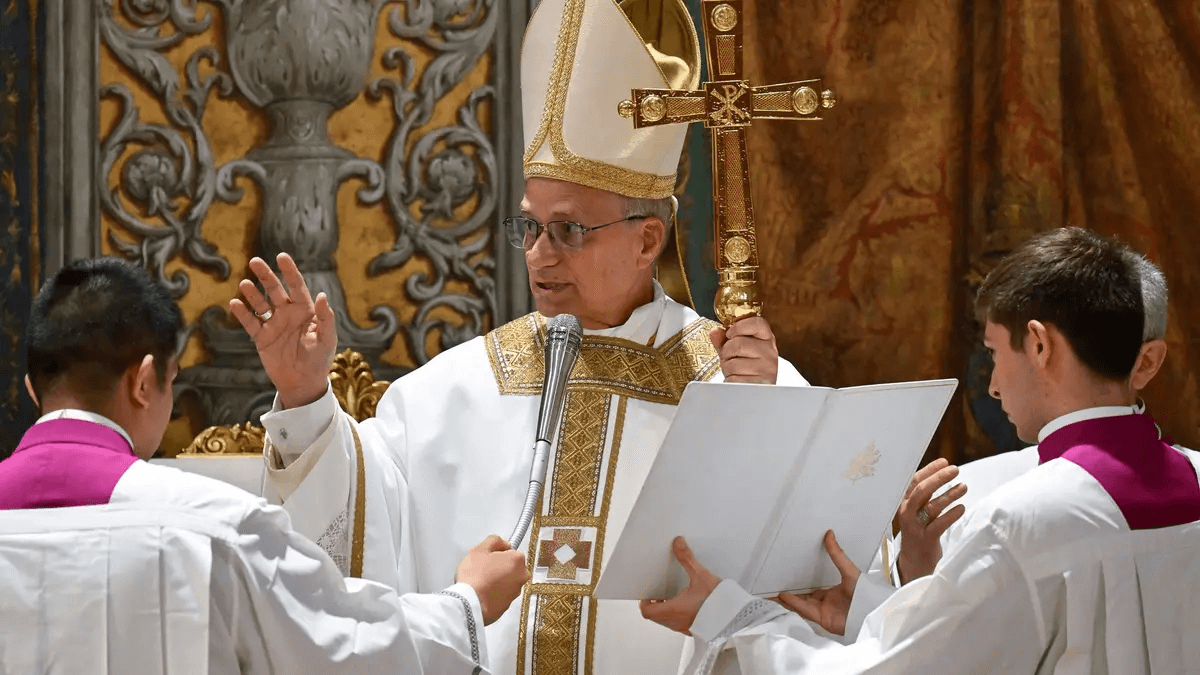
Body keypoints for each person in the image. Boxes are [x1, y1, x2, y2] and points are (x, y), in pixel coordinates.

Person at [229, 1, 808, 673]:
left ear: (648, 239)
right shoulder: (452, 392)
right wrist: (304, 396)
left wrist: (765, 419)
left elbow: (818, 585)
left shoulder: (736, 385)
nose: (538, 254)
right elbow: (356, 543)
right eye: (530, 226)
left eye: (568, 231)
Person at [640, 228, 1200, 674]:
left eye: (994, 353)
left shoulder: (1022, 520)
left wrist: (731, 616)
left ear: (1039, 344)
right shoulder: (1193, 473)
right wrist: (869, 610)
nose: (995, 385)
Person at [0, 257, 529, 674]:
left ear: (32, 389)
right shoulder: (211, 529)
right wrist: (466, 605)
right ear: (143, 382)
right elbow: (340, 649)